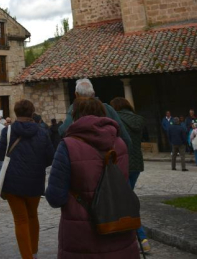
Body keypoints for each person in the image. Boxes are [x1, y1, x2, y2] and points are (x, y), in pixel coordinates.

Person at [46, 97, 139, 259]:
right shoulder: (120, 144)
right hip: (118, 225)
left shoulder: (67, 146)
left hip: (82, 235)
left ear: (75, 116)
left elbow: (55, 197)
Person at [0, 99, 54, 259]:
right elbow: (50, 157)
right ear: (32, 112)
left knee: (20, 220)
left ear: (16, 112)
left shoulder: (7, 131)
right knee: (33, 215)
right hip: (35, 180)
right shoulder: (42, 132)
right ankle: (33, 252)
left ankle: (27, 256)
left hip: (13, 182)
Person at [110, 97, 150, 254]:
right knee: (127, 197)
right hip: (137, 163)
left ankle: (141, 238)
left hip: (123, 162)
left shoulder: (116, 118)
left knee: (126, 201)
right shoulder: (138, 120)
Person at [59, 78, 132, 150]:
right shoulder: (108, 109)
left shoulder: (74, 109)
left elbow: (63, 131)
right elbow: (125, 138)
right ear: (93, 93)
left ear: (76, 94)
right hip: (109, 157)